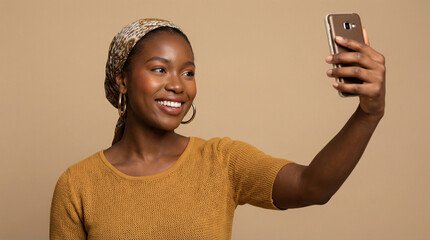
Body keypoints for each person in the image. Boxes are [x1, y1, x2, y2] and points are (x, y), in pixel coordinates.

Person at [50, 18, 385, 239]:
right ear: (122, 80)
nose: (177, 85)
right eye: (159, 69)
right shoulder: (77, 184)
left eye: (188, 72)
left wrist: (369, 114)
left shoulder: (221, 161)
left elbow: (312, 186)